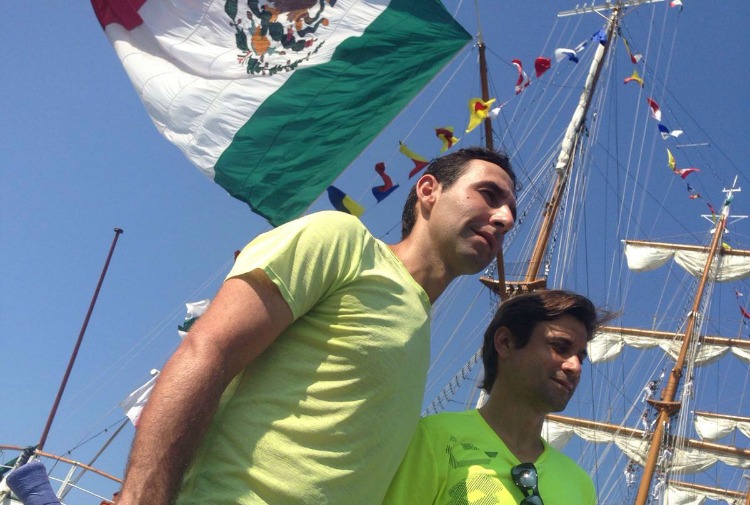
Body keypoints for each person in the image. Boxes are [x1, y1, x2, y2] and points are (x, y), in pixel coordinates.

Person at [116, 146, 518, 505]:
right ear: (429, 190)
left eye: (512, 216)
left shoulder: (419, 328)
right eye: (489, 194)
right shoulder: (345, 242)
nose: (503, 219)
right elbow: (209, 350)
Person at [383, 290, 609, 505]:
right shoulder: (433, 439)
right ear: (505, 342)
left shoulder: (580, 485)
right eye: (559, 347)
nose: (575, 367)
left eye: (581, 358)